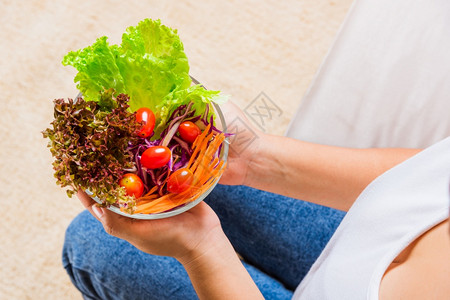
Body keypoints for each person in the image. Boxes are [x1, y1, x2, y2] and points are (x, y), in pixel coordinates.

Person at [63, 101, 450, 299]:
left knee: (92, 244)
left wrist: (202, 248)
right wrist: (256, 157)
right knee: (207, 174)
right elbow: (425, 178)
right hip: (370, 240)